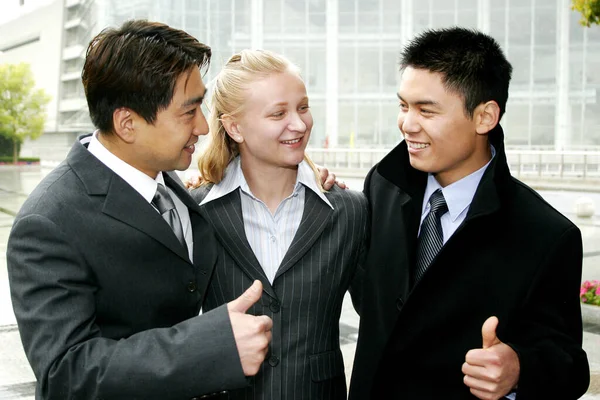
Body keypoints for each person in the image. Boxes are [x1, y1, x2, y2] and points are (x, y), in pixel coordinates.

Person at [7, 20, 274, 400]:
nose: (203, 125)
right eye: (190, 111)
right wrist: (211, 347)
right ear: (128, 123)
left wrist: (306, 179)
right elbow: (66, 374)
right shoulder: (48, 223)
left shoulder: (169, 180)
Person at [349, 27, 589, 400]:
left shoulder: (546, 235)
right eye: (403, 106)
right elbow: (370, 299)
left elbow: (570, 366)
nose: (407, 124)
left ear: (485, 117)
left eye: (426, 110)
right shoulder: (383, 186)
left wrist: (519, 369)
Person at [189, 49, 368, 399]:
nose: (300, 125)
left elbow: (384, 319)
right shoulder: (196, 212)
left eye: (303, 107)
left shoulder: (350, 211)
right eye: (278, 113)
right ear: (234, 126)